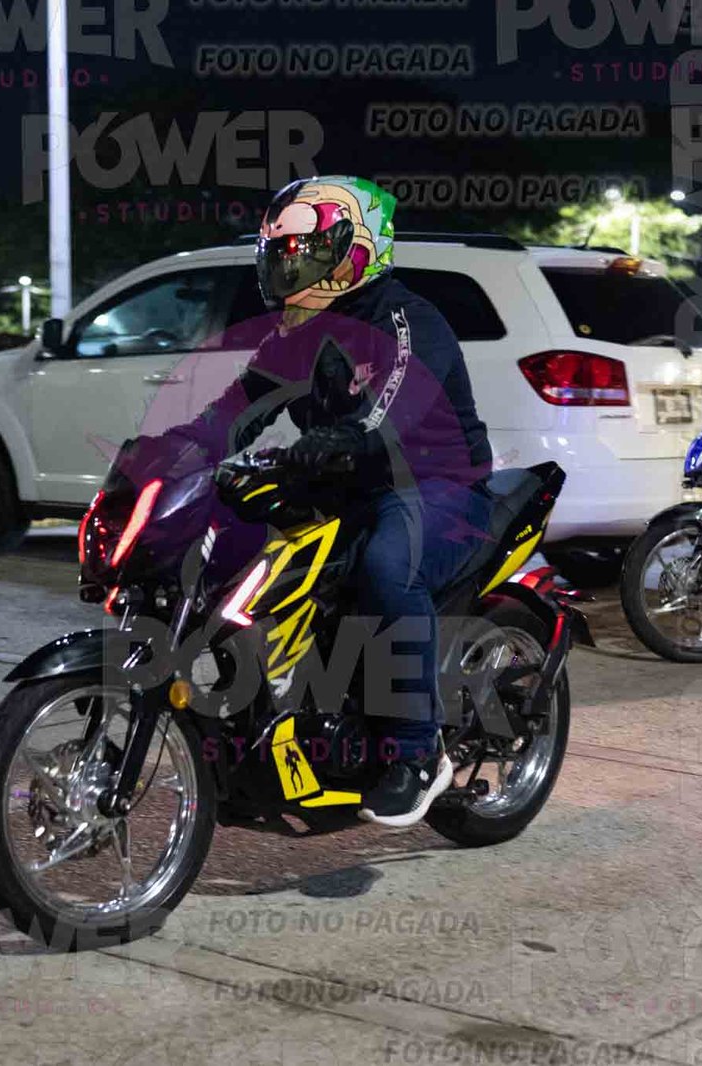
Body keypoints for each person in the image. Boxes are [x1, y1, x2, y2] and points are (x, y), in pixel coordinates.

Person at [163, 175, 495, 827]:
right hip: (343, 482)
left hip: (434, 487)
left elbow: (393, 409)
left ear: (357, 250)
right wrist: (178, 447)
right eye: (281, 254)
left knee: (386, 569)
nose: (289, 267)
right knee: (234, 551)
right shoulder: (299, 332)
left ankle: (416, 754)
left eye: (304, 252)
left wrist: (339, 440)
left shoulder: (405, 319)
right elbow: (239, 406)